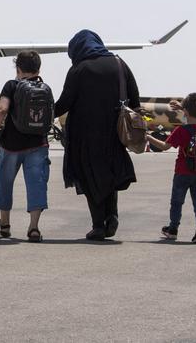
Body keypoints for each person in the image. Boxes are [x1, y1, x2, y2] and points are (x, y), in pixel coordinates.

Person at [54, 30, 141, 241]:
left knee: (90, 178)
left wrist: (39, 115)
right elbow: (135, 98)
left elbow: (65, 102)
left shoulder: (79, 68)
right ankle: (112, 216)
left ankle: (98, 225)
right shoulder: (119, 64)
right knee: (109, 176)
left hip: (85, 135)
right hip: (114, 133)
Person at [0, 51, 53, 242]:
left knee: (4, 183)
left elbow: (2, 109)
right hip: (38, 145)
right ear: (38, 69)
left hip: (11, 146)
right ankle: (34, 228)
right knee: (36, 183)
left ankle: (4, 225)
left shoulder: (12, 86)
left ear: (18, 68)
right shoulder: (45, 88)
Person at [148, 93, 196, 244]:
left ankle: (173, 229)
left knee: (177, 202)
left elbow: (164, 146)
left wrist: (148, 137)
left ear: (186, 112)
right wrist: (183, 108)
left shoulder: (181, 130)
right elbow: (195, 116)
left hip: (183, 172)